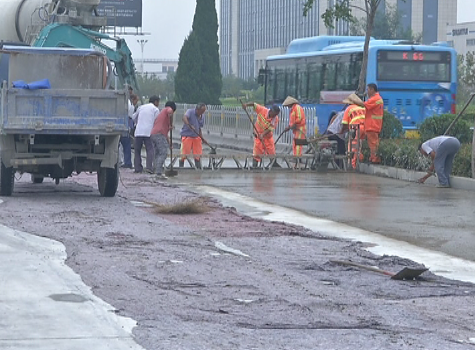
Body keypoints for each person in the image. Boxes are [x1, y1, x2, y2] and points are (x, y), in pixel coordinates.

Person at [242, 101, 280, 168]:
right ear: (271, 111)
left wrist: (263, 134)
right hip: (258, 137)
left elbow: (270, 129)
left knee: (271, 153)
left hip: (268, 138)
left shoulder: (275, 118)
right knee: (257, 152)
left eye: (276, 115)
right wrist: (246, 105)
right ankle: (255, 166)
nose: (274, 116)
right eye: (274, 114)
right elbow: (254, 104)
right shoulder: (262, 110)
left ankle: (273, 165)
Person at [132, 95, 160, 173]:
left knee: (137, 151)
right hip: (148, 132)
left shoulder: (141, 107)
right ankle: (149, 168)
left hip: (138, 132)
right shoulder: (155, 109)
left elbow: (134, 117)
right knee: (150, 150)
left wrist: (138, 123)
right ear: (155, 102)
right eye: (158, 102)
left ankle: (137, 168)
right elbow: (156, 121)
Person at [356, 83, 384, 163]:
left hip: (372, 125)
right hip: (373, 125)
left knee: (373, 143)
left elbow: (365, 105)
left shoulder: (375, 99)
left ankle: (375, 158)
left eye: (367, 89)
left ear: (372, 89)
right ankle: (373, 158)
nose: (367, 92)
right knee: (373, 143)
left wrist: (355, 100)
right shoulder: (377, 98)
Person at [151, 101, 176, 179]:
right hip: (159, 134)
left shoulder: (162, 114)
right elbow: (170, 111)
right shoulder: (167, 109)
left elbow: (165, 135)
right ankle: (158, 173)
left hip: (154, 134)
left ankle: (155, 170)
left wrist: (170, 144)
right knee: (163, 153)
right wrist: (171, 117)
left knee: (157, 153)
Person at [341, 94, 366, 169]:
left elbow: (344, 124)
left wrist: (342, 131)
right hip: (365, 128)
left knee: (352, 147)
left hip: (356, 129)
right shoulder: (362, 108)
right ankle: (359, 160)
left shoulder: (349, 108)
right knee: (359, 146)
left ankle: (352, 165)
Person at [180, 103, 207, 169]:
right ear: (197, 110)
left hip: (196, 136)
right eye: (201, 111)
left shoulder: (202, 116)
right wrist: (189, 125)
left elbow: (199, 128)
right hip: (187, 135)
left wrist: (202, 138)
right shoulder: (190, 111)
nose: (202, 113)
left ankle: (197, 167)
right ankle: (181, 167)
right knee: (184, 153)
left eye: (203, 111)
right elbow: (184, 118)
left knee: (197, 154)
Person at [120, 93, 138, 169]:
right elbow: (131, 116)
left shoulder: (126, 102)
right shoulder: (129, 105)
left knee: (121, 145)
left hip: (123, 125)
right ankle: (127, 162)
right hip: (125, 126)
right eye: (136, 100)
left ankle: (124, 161)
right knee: (125, 145)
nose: (136, 102)